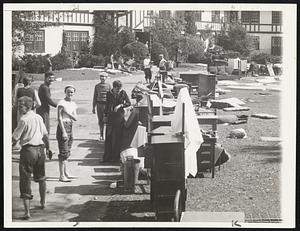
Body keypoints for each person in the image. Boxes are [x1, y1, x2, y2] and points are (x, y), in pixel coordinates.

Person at [12, 96, 49, 219]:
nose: (18, 107)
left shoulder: (24, 119)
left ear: (27, 106)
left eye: (20, 105)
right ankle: (43, 202)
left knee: (25, 179)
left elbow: (15, 137)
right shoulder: (38, 117)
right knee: (41, 178)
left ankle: (27, 212)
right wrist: (48, 148)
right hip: (40, 150)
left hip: (28, 151)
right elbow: (45, 135)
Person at [103, 80, 131, 162]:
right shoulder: (109, 94)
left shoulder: (123, 93)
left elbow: (128, 103)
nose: (118, 91)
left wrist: (120, 105)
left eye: (119, 89)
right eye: (117, 89)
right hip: (111, 117)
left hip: (119, 117)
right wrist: (105, 115)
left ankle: (116, 157)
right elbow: (107, 105)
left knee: (118, 138)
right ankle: (107, 157)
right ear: (113, 88)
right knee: (109, 137)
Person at [56, 85, 77, 182]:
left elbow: (75, 118)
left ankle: (66, 172)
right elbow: (59, 118)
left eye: (72, 92)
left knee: (67, 151)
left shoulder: (73, 104)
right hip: (63, 127)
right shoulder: (61, 103)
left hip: (70, 126)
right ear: (65, 92)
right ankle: (61, 176)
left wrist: (67, 112)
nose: (70, 94)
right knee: (63, 152)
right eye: (68, 92)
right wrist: (63, 131)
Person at [36, 72, 57, 159]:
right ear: (45, 78)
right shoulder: (45, 88)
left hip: (42, 110)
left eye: (53, 78)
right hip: (43, 111)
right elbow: (48, 100)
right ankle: (46, 150)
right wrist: (58, 105)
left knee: (43, 130)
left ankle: (45, 150)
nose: (51, 80)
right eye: (50, 78)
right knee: (45, 131)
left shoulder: (43, 86)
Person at [92, 72, 111, 141]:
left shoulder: (109, 86)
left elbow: (111, 96)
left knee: (107, 120)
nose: (103, 78)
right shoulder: (97, 86)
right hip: (99, 105)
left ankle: (108, 136)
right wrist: (93, 107)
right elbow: (95, 96)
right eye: (101, 76)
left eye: (104, 76)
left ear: (106, 77)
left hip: (107, 105)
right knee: (100, 121)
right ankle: (101, 135)